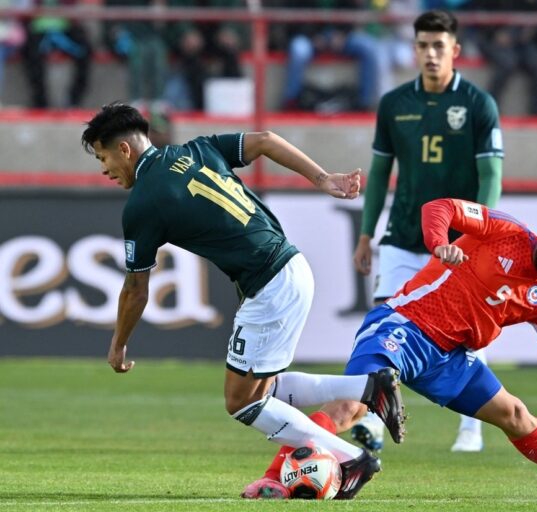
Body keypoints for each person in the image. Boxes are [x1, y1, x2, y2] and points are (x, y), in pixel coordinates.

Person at [245, 197, 537, 501]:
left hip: (450, 358)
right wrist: (439, 243)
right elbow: (438, 207)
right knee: (352, 406)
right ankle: (272, 480)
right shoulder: (504, 231)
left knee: (516, 415)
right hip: (403, 326)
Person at [79, 102, 407, 500]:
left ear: (124, 149)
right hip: (292, 266)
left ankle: (352, 458)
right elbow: (265, 140)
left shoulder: (143, 204)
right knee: (264, 389)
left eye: (103, 157)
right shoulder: (197, 149)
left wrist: (118, 344)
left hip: (268, 283)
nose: (105, 169)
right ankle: (369, 387)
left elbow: (136, 289)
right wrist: (322, 178)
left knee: (241, 403)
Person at [351, 9, 504, 454]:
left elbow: (491, 175)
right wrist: (366, 234)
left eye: (439, 46)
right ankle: (372, 423)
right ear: (414, 49)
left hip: (459, 244)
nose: (431, 54)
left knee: (467, 334)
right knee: (383, 326)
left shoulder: (478, 104)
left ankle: (471, 430)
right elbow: (380, 174)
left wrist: (479, 234)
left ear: (455, 50)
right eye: (423, 45)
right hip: (403, 236)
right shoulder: (394, 104)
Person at [21, 0, 92, 108]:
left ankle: (73, 101)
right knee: (32, 57)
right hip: (39, 31)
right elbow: (25, 11)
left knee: (85, 51)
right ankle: (41, 103)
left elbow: (75, 11)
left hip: (65, 29)